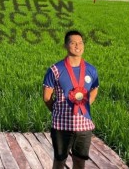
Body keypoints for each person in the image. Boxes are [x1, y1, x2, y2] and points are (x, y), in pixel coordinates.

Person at [43, 30, 99, 169]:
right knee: (59, 161)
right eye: (73, 43)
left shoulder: (91, 70)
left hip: (84, 125)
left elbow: (94, 88)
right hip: (61, 125)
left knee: (80, 161)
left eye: (80, 43)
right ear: (66, 46)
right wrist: (58, 111)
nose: (77, 46)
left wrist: (86, 105)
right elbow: (47, 97)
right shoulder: (55, 69)